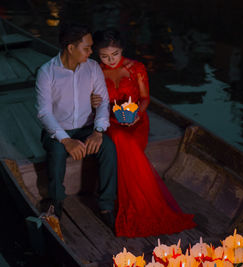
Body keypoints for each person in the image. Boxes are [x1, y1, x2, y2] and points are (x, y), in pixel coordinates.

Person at [91, 28, 196, 237]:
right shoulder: (94, 71)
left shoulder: (136, 68)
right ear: (97, 54)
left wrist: (138, 114)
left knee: (126, 140)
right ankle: (135, 202)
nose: (110, 60)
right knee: (120, 138)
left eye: (115, 55)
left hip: (136, 120)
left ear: (122, 50)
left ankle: (139, 201)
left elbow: (145, 98)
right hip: (110, 120)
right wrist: (94, 102)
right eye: (104, 56)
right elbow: (93, 102)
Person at [35, 22, 117, 229]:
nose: (91, 51)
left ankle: (106, 205)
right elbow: (44, 112)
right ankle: (55, 203)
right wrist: (66, 140)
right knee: (56, 152)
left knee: (108, 147)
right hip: (57, 131)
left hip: (87, 128)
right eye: (87, 47)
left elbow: (103, 101)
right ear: (70, 48)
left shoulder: (93, 68)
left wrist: (98, 132)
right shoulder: (47, 72)